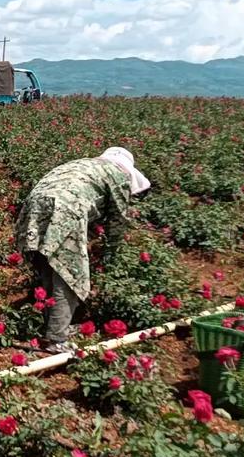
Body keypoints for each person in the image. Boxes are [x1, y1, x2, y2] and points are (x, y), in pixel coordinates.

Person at [14, 147, 151, 352]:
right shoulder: (119, 175)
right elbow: (117, 222)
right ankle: (57, 339)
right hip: (66, 209)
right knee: (69, 275)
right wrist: (109, 255)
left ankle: (51, 326)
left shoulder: (85, 165)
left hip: (34, 203)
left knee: (49, 266)